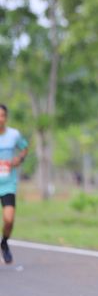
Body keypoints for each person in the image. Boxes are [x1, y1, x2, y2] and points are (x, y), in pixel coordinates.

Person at [0, 104, 29, 264]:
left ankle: (4, 243)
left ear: (6, 117)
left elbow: (24, 148)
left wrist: (19, 159)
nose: (0, 119)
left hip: (7, 184)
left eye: (2, 115)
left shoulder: (13, 135)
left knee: (9, 220)